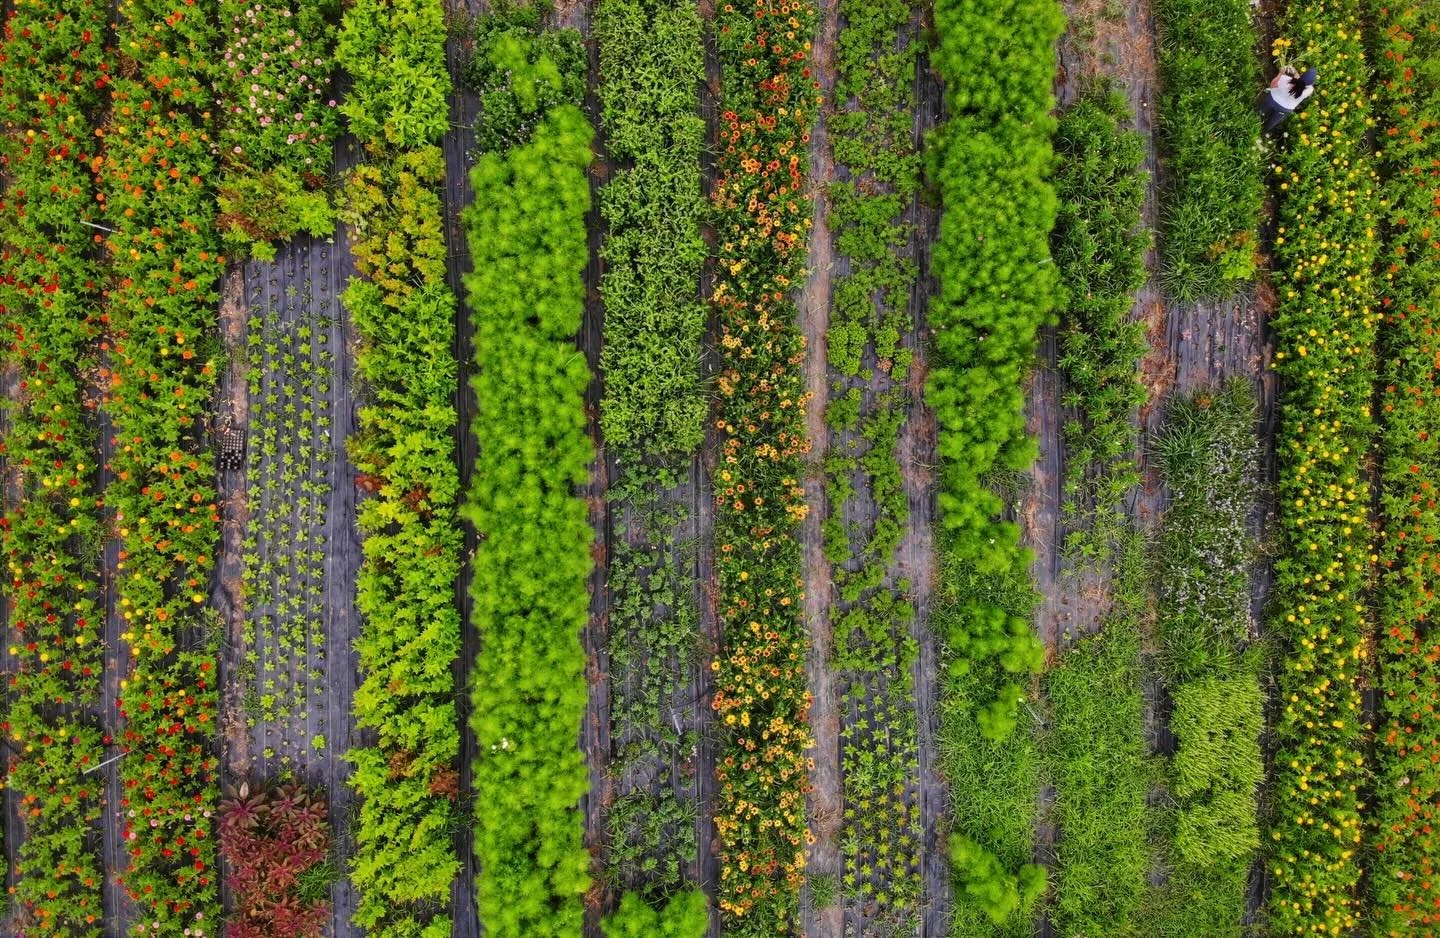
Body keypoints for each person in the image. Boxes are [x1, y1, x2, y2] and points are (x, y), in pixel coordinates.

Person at [1259, 66, 1317, 132]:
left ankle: (1256, 116)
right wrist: (1295, 72)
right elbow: (1301, 83)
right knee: (1273, 121)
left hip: (1272, 100)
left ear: (1302, 76)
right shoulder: (1309, 90)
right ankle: (1263, 131)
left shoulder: (1286, 80)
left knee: (1261, 110)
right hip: (1285, 108)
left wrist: (1280, 73)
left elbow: (1272, 85)